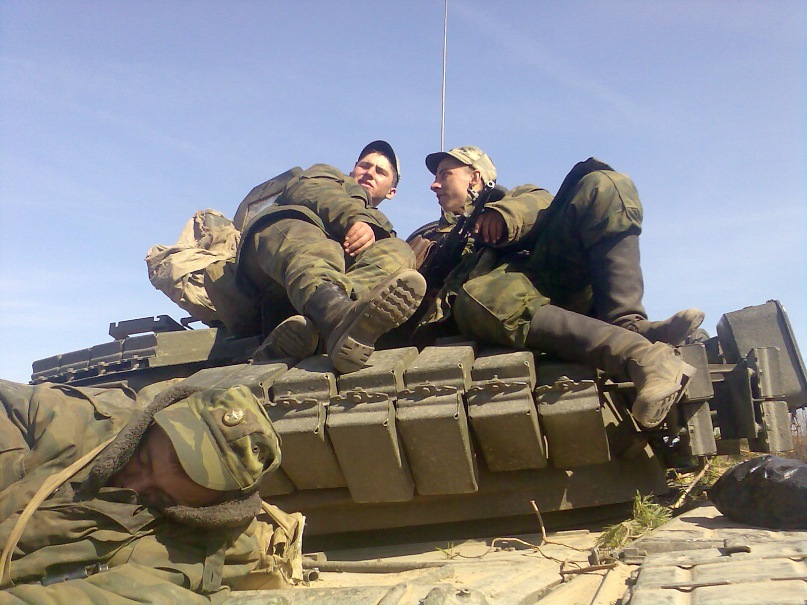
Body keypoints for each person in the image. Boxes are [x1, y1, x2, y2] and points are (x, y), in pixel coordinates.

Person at [412, 146, 704, 428]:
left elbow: (540, 203)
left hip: (545, 280)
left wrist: (502, 215)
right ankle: (641, 354)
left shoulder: (512, 199)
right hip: (482, 308)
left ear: (475, 177)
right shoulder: (427, 235)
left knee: (603, 185)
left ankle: (629, 328)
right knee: (481, 296)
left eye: (444, 174)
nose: (434, 185)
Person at [0, 379, 302, 602]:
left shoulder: (197, 556)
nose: (134, 485)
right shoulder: (64, 419)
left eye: (160, 498)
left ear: (207, 510)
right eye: (143, 461)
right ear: (149, 426)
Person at [235, 140, 426, 374]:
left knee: (400, 251)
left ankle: (326, 328)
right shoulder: (329, 175)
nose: (370, 173)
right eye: (365, 166)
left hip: (312, 298)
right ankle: (336, 316)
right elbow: (310, 190)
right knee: (317, 247)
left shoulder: (384, 229)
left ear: (391, 192)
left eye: (380, 171)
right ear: (353, 170)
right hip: (275, 256)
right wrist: (355, 219)